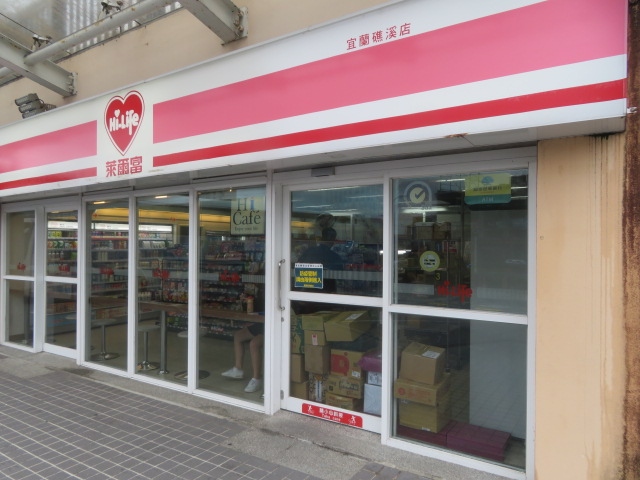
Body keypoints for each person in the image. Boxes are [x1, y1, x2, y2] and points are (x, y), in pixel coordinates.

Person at [297, 227, 343, 293]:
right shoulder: (335, 257)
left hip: (307, 291)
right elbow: (340, 277)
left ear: (321, 238)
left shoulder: (309, 251)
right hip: (326, 293)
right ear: (333, 241)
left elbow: (298, 266)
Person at [221, 322, 264, 393]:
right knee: (238, 336)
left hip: (272, 325)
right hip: (261, 324)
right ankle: (238, 369)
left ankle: (256, 379)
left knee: (254, 344)